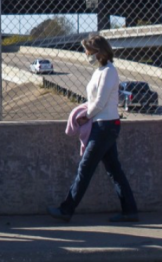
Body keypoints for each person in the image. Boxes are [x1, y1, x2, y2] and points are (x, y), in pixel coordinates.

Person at [49, 34, 139, 223]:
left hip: (105, 126)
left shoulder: (109, 72)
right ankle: (130, 210)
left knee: (85, 168)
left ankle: (67, 209)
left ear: (98, 52)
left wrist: (85, 116)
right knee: (114, 170)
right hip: (103, 125)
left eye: (87, 51)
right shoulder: (99, 71)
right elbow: (94, 100)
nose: (86, 54)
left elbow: (100, 102)